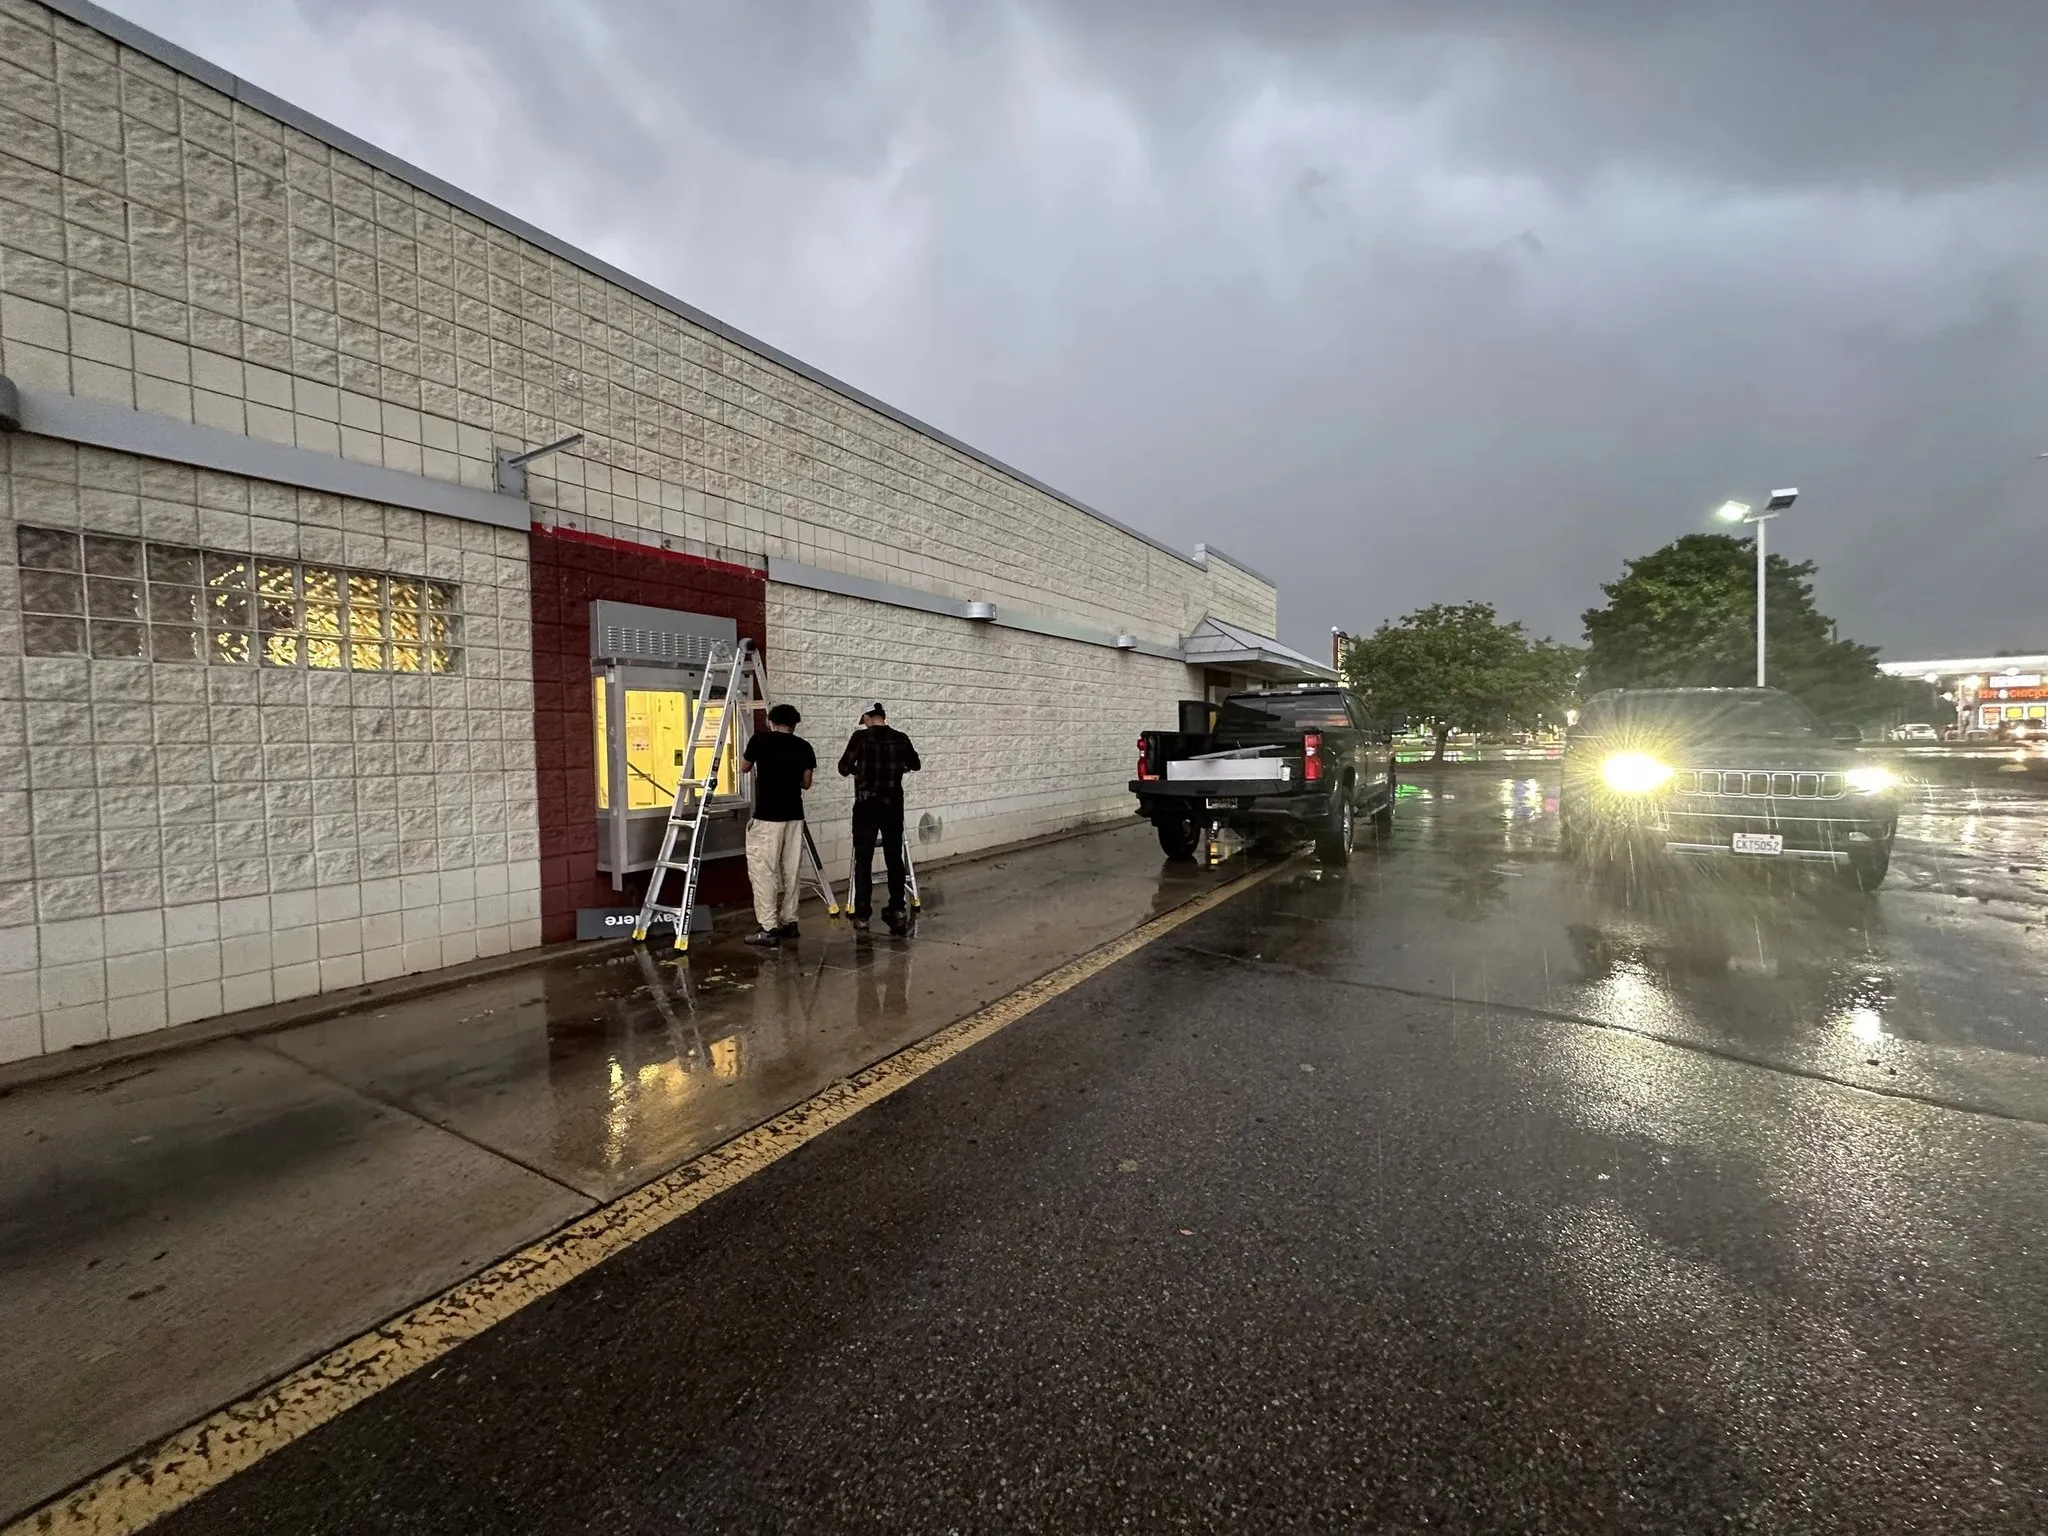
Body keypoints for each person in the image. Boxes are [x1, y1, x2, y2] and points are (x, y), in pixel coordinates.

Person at [837, 701, 921, 935]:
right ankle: (898, 908)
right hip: (893, 805)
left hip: (866, 805)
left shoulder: (860, 738)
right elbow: (915, 764)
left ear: (867, 717)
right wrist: (899, 768)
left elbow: (843, 767)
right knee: (894, 857)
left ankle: (863, 914)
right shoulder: (901, 738)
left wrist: (860, 772)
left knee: (863, 859)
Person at [740, 702, 816, 947]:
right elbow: (806, 783)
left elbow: (744, 767)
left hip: (767, 817)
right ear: (794, 724)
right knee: (791, 870)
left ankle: (769, 927)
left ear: (771, 722)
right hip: (794, 816)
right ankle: (790, 921)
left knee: (764, 871)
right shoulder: (804, 746)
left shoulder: (760, 741)